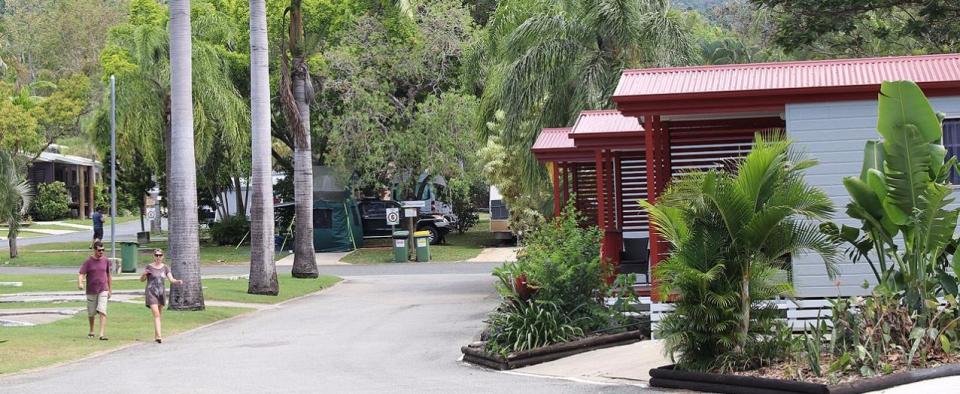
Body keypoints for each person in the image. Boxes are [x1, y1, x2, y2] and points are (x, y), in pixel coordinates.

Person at [140, 249, 182, 343]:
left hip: (161, 293)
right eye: (156, 255)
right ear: (154, 256)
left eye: (160, 255)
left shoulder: (165, 267)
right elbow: (142, 280)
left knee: (159, 315)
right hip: (151, 293)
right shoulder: (149, 267)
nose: (158, 257)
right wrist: (144, 274)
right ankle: (159, 336)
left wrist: (177, 281)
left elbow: (171, 279)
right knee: (156, 314)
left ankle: (156, 336)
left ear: (163, 256)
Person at [78, 241, 111, 340]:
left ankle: (101, 334)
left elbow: (108, 275)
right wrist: (80, 283)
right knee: (91, 312)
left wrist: (110, 289)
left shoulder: (106, 260)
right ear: (94, 250)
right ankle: (91, 330)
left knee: (102, 310)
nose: (101, 252)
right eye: (99, 250)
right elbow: (81, 273)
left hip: (103, 289)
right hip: (91, 290)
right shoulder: (88, 261)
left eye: (103, 250)